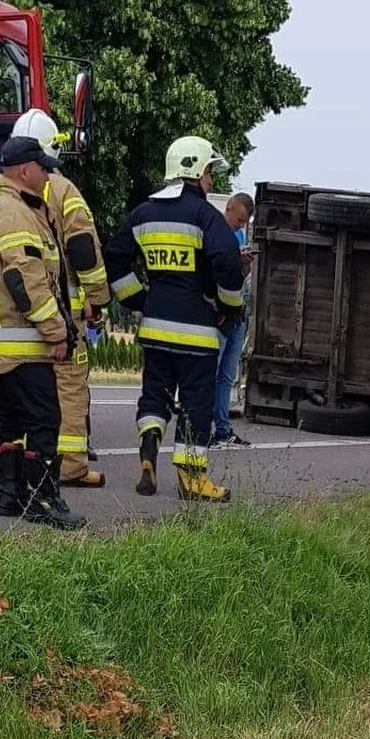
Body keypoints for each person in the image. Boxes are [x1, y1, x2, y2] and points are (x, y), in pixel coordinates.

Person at [0, 109, 108, 487]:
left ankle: (3, 465)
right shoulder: (61, 189)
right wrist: (96, 296)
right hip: (53, 311)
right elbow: (82, 247)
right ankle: (69, 466)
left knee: (6, 393)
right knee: (66, 388)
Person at [103, 135, 245, 503]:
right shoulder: (204, 216)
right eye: (210, 172)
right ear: (196, 170)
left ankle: (150, 445)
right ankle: (192, 480)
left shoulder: (142, 213)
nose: (211, 181)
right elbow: (228, 262)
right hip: (197, 333)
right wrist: (228, 307)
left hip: (155, 327)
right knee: (196, 404)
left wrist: (138, 298)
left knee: (155, 395)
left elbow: (115, 256)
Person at [0, 135, 85, 528]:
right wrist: (56, 330)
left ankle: (9, 497)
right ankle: (42, 501)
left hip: (4, 341)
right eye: (42, 168)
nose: (47, 175)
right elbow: (25, 277)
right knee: (43, 420)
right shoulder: (16, 211)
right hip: (24, 340)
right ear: (25, 170)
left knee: (11, 420)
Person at [212, 192, 255, 447]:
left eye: (244, 222)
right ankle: (200, 428)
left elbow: (241, 276)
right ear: (228, 209)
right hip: (219, 314)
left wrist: (245, 264)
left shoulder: (238, 235)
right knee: (210, 373)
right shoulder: (214, 234)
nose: (240, 225)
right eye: (238, 219)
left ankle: (223, 428)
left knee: (227, 377)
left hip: (237, 312)